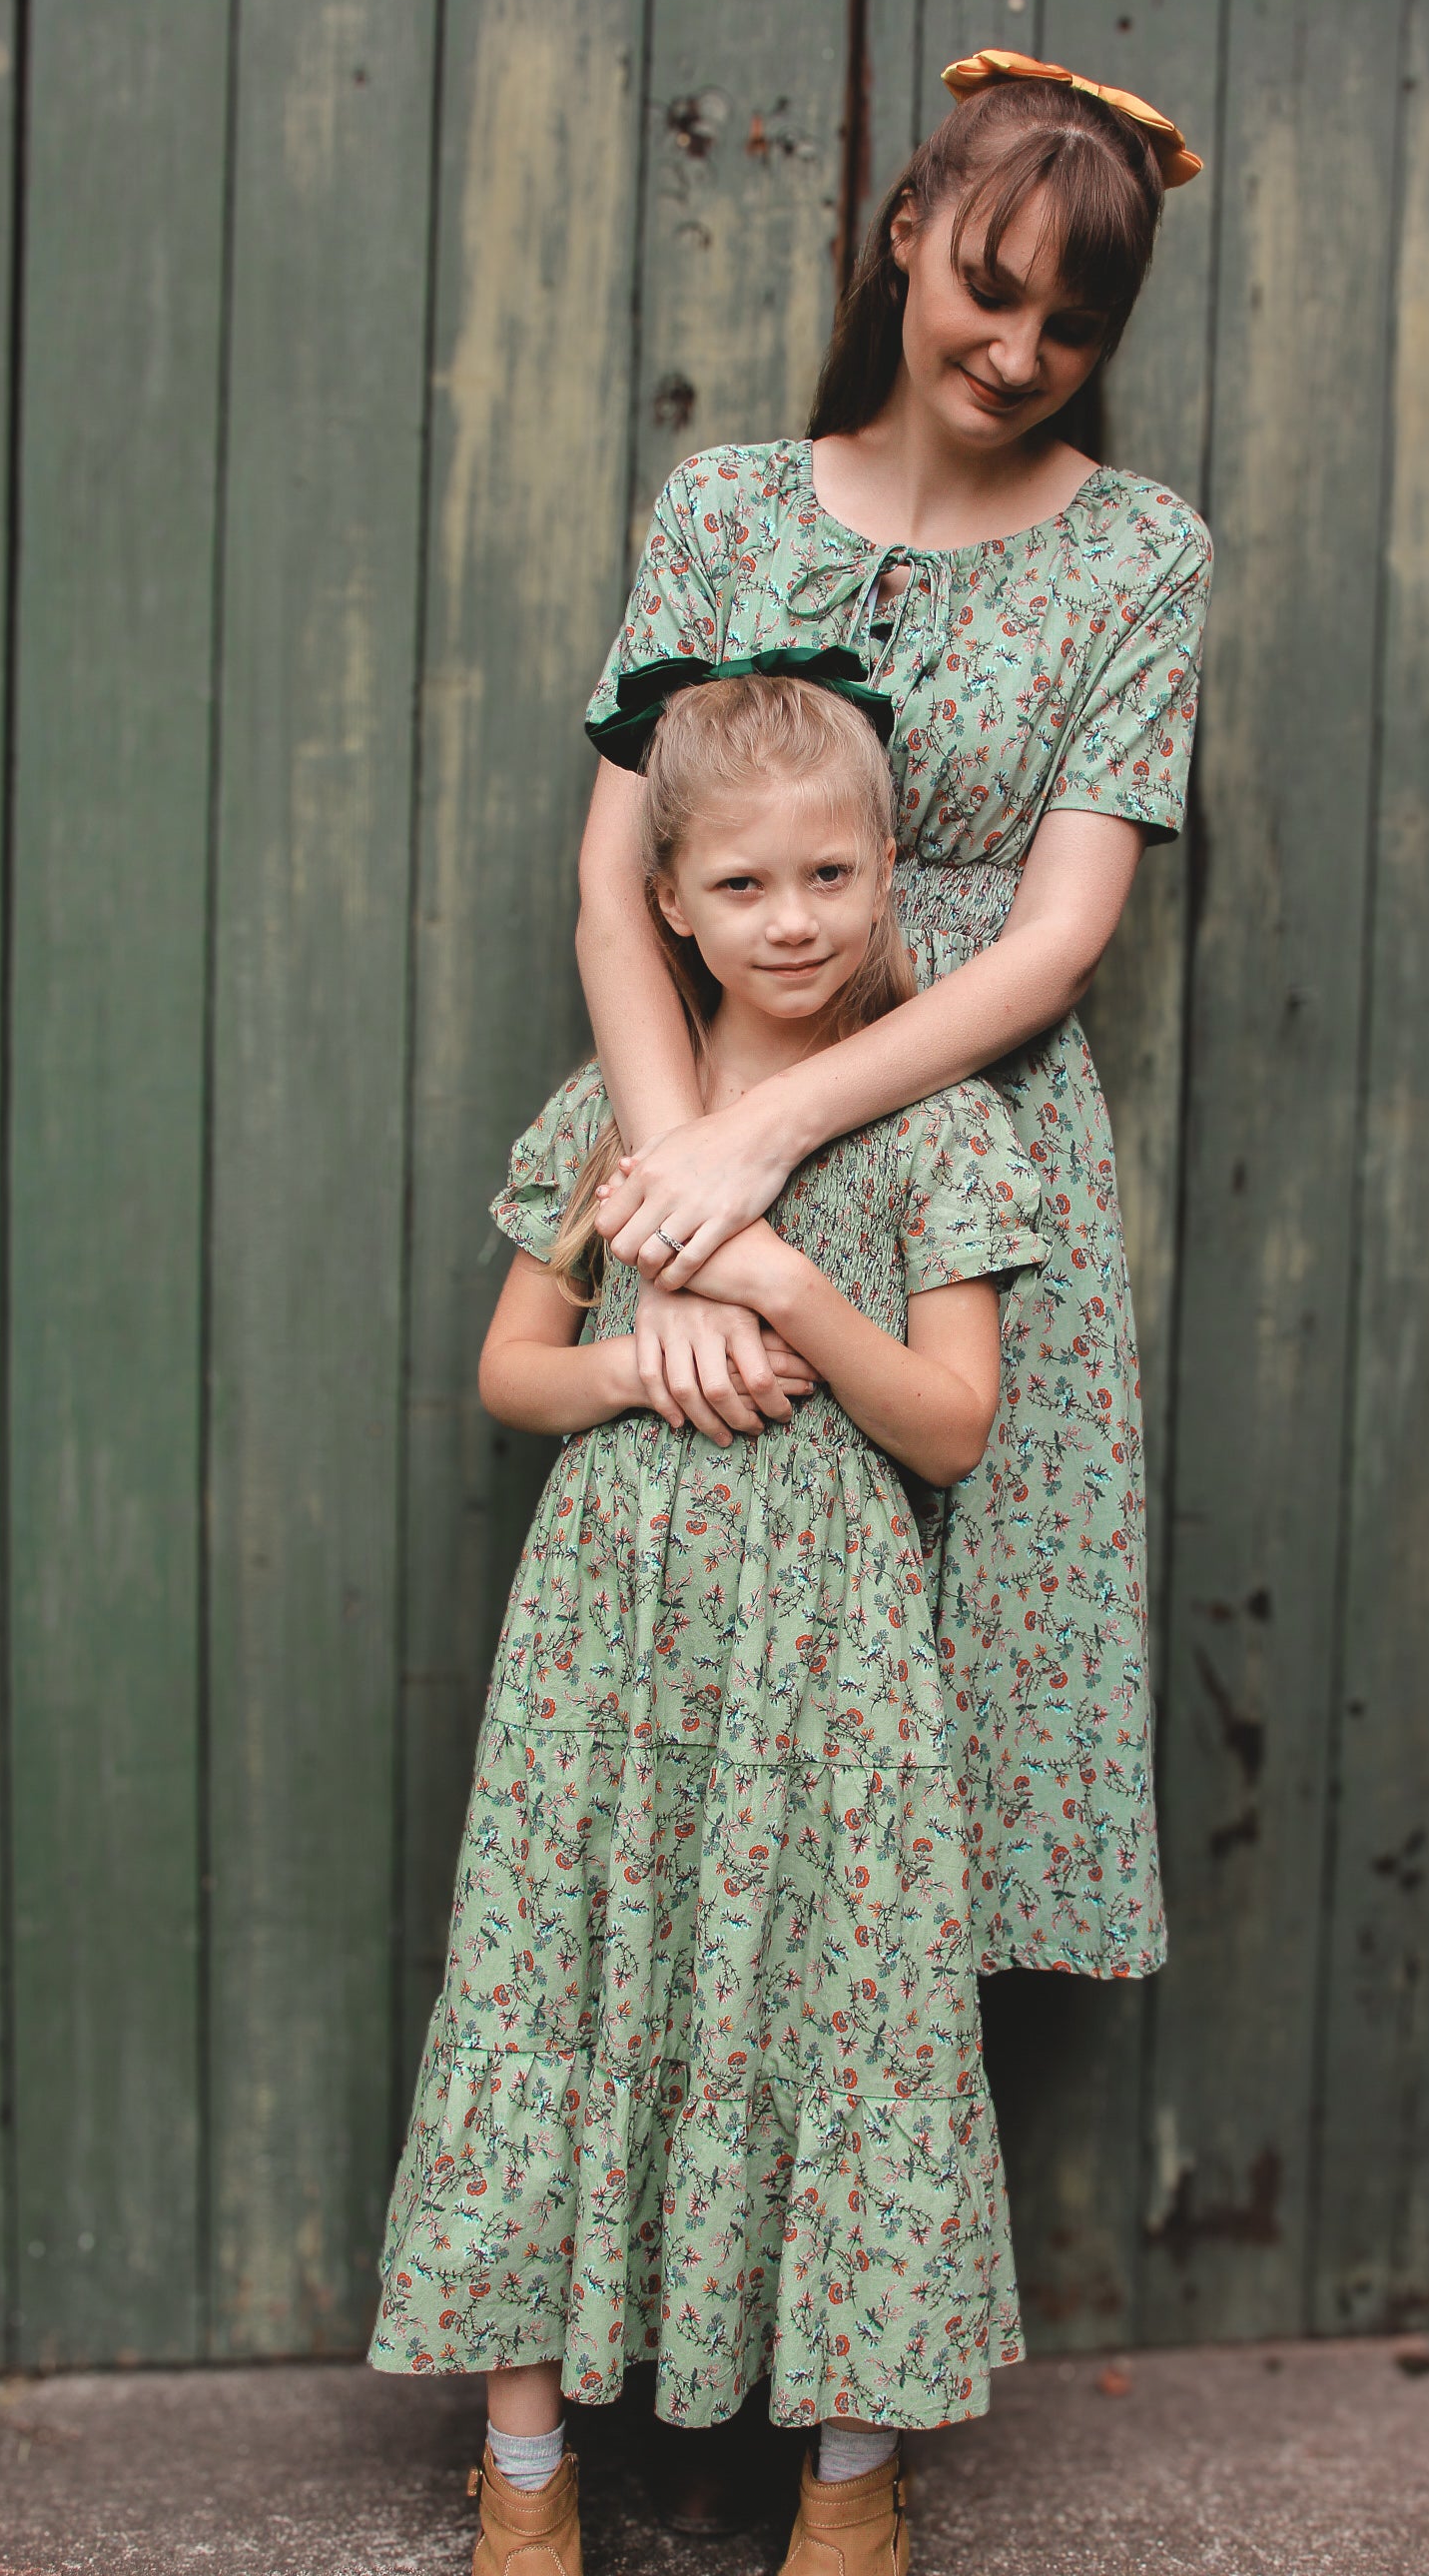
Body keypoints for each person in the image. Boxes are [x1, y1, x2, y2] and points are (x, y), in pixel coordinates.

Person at [372, 666, 1049, 2576]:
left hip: (835, 1659)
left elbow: (956, 1422)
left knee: (853, 2014)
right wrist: (637, 1367)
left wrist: (782, 1288)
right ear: (671, 903)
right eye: (745, 885)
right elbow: (513, 1371)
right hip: (613, 1644)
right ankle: (525, 2478)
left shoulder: (938, 1135)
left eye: (835, 872)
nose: (797, 919)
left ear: (891, 873)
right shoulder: (614, 1113)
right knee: (553, 1994)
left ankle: (850, 2479)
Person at [583, 63, 1208, 2066]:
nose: (1018, 352)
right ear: (910, 231)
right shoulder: (730, 511)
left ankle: (869, 2325)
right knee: (704, 1735)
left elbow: (1061, 931)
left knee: (934, 1737)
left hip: (968, 1187)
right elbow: (613, 899)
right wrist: (687, 1203)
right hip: (687, 1153)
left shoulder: (1139, 559)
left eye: (1073, 326)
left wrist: (776, 1130)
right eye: (993, 288)